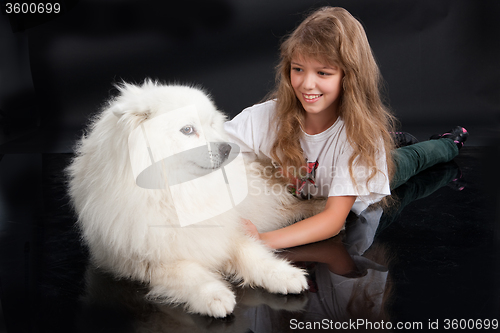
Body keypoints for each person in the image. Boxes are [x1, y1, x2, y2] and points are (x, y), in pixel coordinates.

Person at [224, 7, 468, 250]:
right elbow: (210, 152)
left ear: (348, 77)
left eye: (323, 72)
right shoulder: (265, 117)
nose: (307, 84)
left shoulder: (359, 139)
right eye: (298, 69)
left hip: (362, 183)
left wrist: (262, 240)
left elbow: (332, 220)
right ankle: (393, 139)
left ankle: (448, 142)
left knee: (412, 159)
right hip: (313, 190)